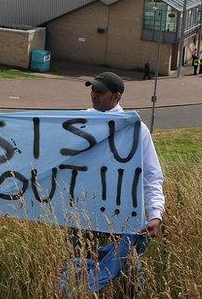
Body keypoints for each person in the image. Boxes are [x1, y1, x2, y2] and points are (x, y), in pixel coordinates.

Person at [63, 73, 165, 292]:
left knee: (126, 276)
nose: (94, 95)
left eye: (101, 92)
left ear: (117, 96)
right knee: (78, 271)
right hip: (83, 219)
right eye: (93, 90)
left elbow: (151, 176)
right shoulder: (80, 122)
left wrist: (155, 213)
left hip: (121, 222)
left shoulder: (136, 129)